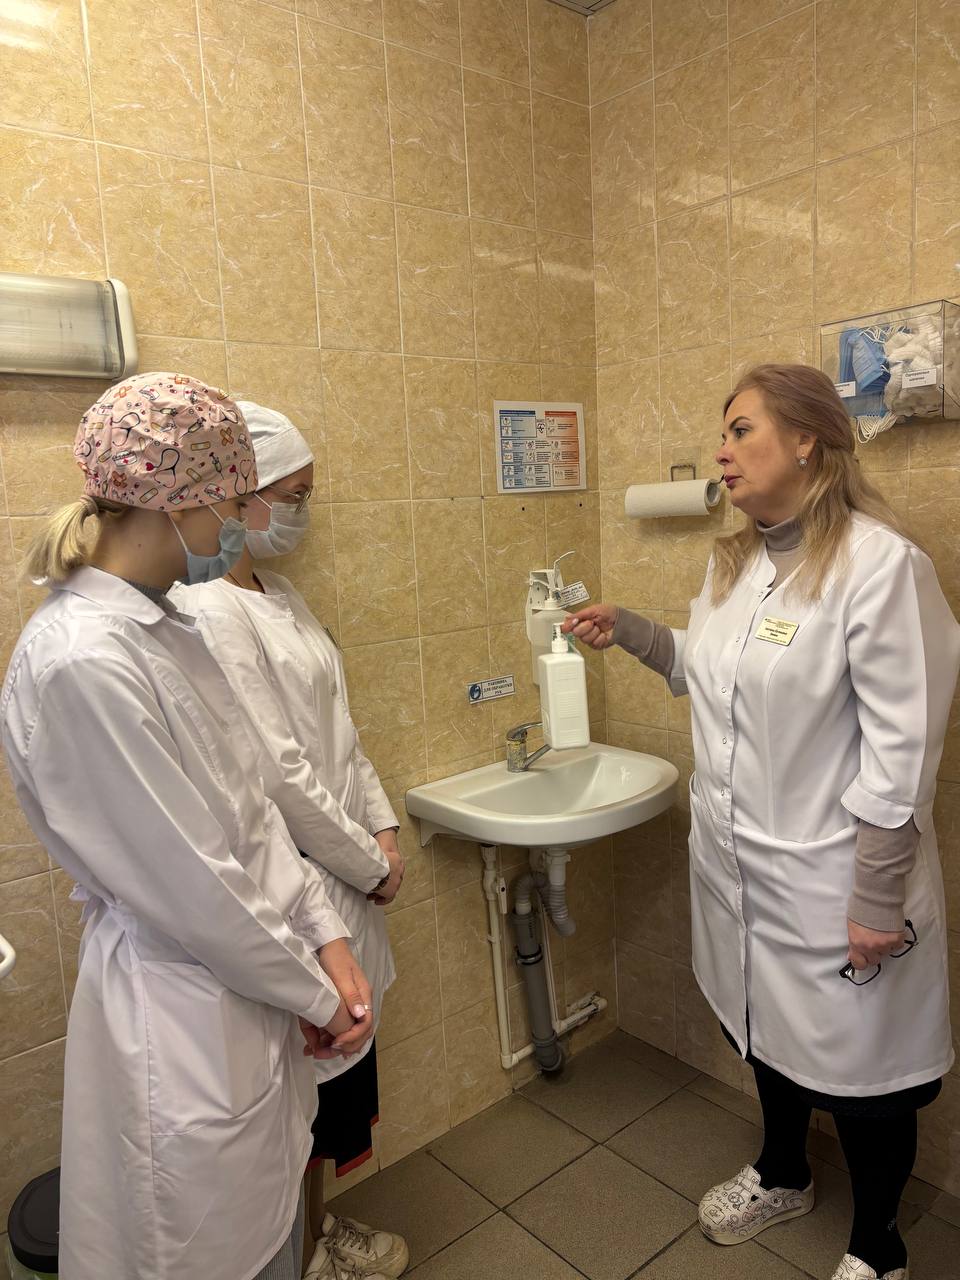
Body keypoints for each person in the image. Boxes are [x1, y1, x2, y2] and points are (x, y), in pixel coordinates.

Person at [564, 364, 959, 1280]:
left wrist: (875, 896)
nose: (722, 452)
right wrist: (634, 631)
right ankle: (785, 1172)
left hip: (836, 876)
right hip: (741, 867)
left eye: (741, 430)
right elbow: (712, 672)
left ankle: (879, 1246)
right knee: (763, 1026)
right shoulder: (735, 564)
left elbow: (903, 748)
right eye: (724, 434)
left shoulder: (879, 567)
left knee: (866, 1072)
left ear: (808, 440)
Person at [0, 374, 376, 1280]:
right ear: (182, 500)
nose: (240, 525)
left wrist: (326, 940)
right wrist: (318, 995)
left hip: (246, 991)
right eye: (236, 504)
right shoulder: (82, 662)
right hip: (179, 1014)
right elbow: (196, 885)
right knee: (202, 1249)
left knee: (265, 1229)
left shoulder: (168, 631)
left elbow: (250, 812)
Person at [171, 402, 407, 1280]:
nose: (303, 513)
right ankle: (303, 1253)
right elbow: (280, 775)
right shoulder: (208, 612)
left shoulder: (282, 596)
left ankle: (317, 1236)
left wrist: (383, 830)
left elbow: (341, 734)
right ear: (242, 495)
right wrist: (367, 866)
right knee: (303, 1098)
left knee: (334, 1094)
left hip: (350, 871)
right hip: (305, 886)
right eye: (293, 496)